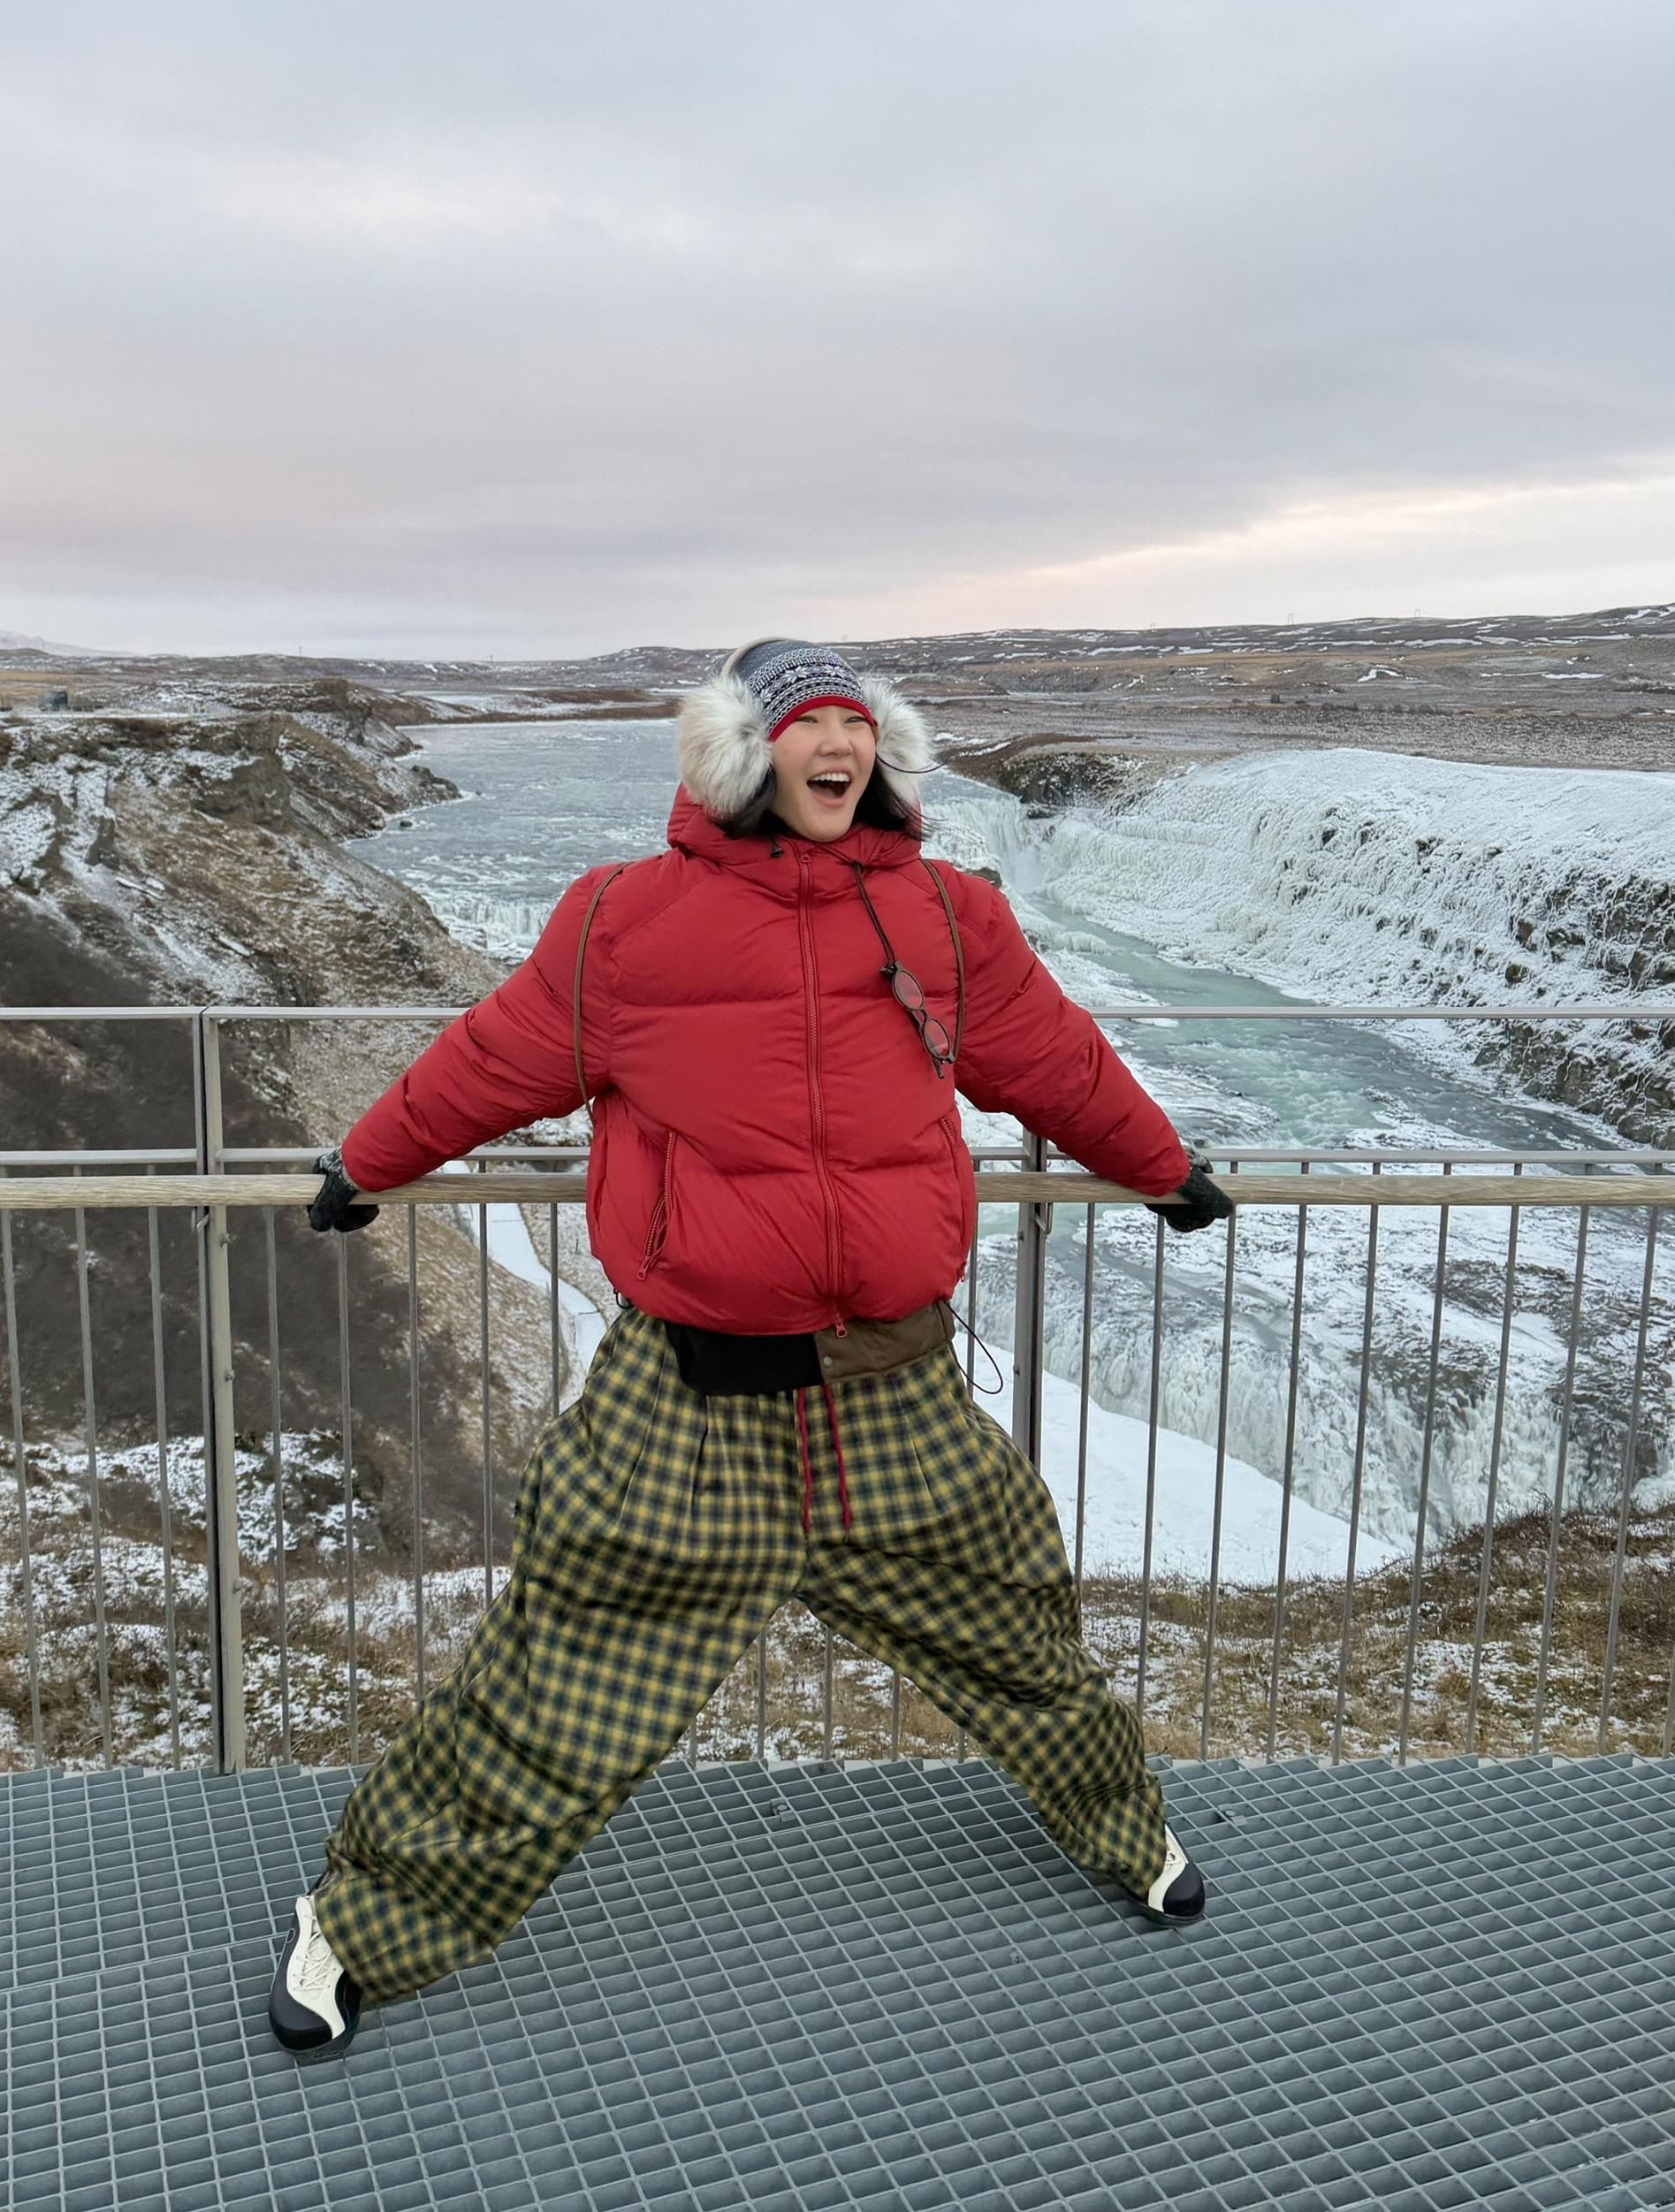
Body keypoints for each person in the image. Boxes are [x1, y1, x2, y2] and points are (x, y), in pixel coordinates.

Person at [269, 637, 1232, 2059]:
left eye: (856, 724)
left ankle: (1129, 1833)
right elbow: (492, 1058)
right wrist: (369, 1161)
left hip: (895, 1392)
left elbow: (1054, 1059)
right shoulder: (625, 924)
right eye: (805, 725)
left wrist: (1160, 1167)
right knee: (557, 1687)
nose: (837, 746)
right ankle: (360, 1927)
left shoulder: (949, 915)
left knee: (1016, 1625)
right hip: (689, 1409)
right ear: (741, 754)